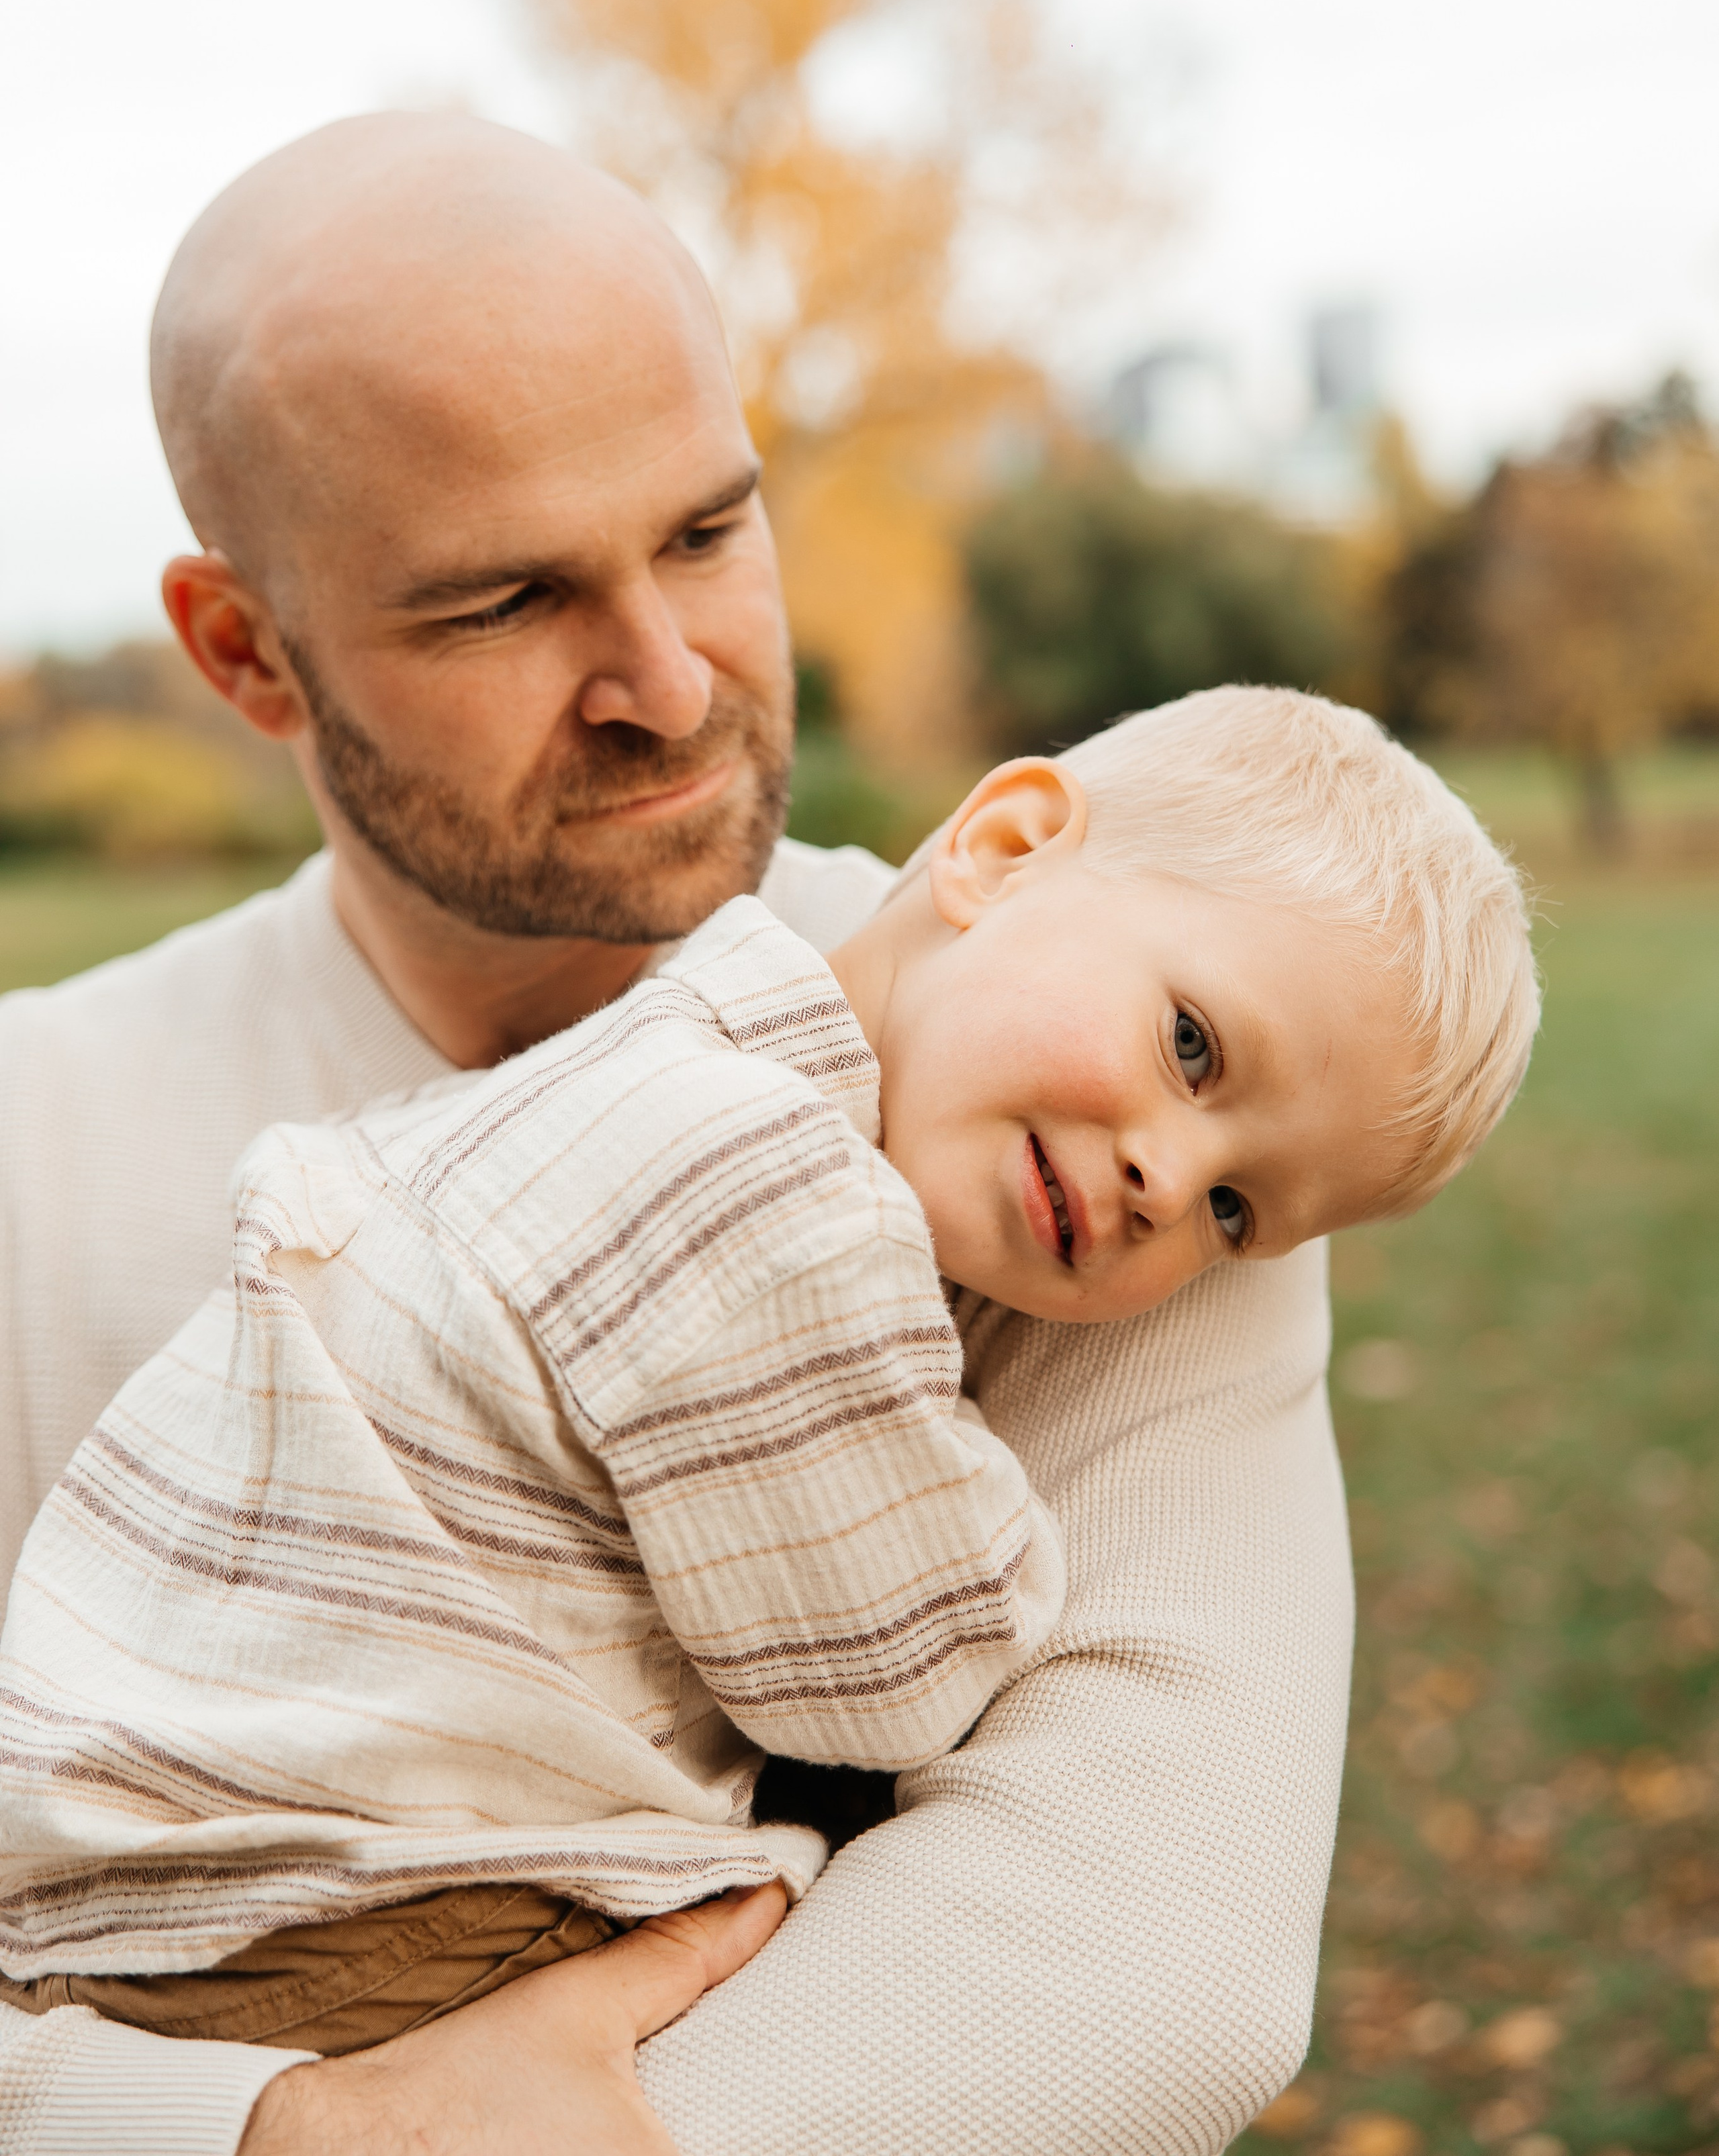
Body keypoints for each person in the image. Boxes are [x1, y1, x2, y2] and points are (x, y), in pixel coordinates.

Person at [0, 114, 1354, 2156]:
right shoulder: (38, 1137)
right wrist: (262, 2133)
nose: (669, 679)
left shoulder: (1107, 1120)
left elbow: (1144, 1950)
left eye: (709, 533)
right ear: (244, 654)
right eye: (504, 602)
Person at [0, 690, 1538, 2059]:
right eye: (1193, 1051)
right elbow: (890, 1676)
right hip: (313, 1899)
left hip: (182, 1852)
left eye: (1231, 1211)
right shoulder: (767, 1192)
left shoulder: (686, 1042)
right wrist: (998, 1546)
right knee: (746, 1920)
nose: (1164, 1173)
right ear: (997, 849)